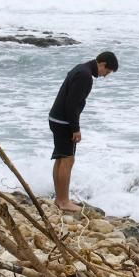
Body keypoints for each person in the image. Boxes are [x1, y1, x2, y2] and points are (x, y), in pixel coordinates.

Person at [47, 50, 119, 211]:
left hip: (56, 118)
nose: (105, 76)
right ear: (102, 64)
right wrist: (76, 129)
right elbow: (72, 104)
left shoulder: (81, 68)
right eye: (107, 72)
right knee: (67, 160)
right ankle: (64, 201)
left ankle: (60, 199)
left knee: (61, 158)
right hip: (63, 121)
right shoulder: (85, 76)